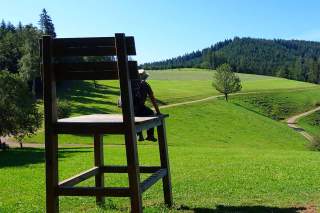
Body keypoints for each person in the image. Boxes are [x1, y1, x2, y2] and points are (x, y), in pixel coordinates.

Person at [132, 69, 160, 142]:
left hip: (128, 111)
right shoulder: (146, 85)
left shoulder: (131, 84)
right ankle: (150, 135)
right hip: (139, 109)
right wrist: (158, 112)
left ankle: (139, 134)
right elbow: (153, 100)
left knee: (136, 114)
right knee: (150, 112)